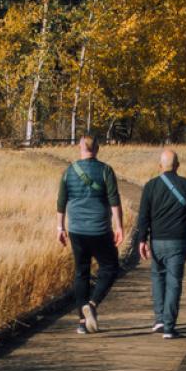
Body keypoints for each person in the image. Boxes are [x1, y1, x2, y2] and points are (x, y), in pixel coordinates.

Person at [56, 133, 124, 335]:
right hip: (100, 229)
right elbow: (114, 200)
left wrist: (60, 228)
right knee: (110, 267)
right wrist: (119, 226)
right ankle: (92, 304)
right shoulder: (106, 171)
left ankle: (81, 322)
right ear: (97, 148)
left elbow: (61, 202)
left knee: (81, 272)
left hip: (76, 230)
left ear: (80, 148)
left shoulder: (69, 171)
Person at [137, 148, 186, 339]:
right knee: (174, 282)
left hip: (157, 241)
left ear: (160, 166)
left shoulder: (150, 186)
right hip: (179, 241)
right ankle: (169, 326)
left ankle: (159, 319)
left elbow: (143, 216)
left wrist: (142, 240)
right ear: (177, 166)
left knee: (158, 278)